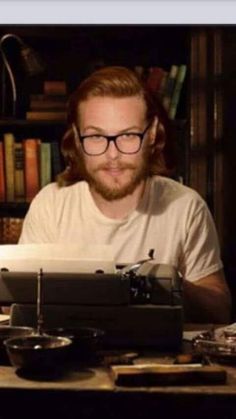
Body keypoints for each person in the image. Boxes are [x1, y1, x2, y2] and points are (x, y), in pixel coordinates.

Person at [19, 66, 232, 323]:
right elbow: (20, 307)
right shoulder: (51, 205)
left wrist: (166, 285)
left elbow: (220, 308)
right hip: (69, 357)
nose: (113, 156)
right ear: (77, 137)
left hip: (158, 360)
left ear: (152, 134)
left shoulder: (186, 206)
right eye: (97, 136)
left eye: (128, 135)